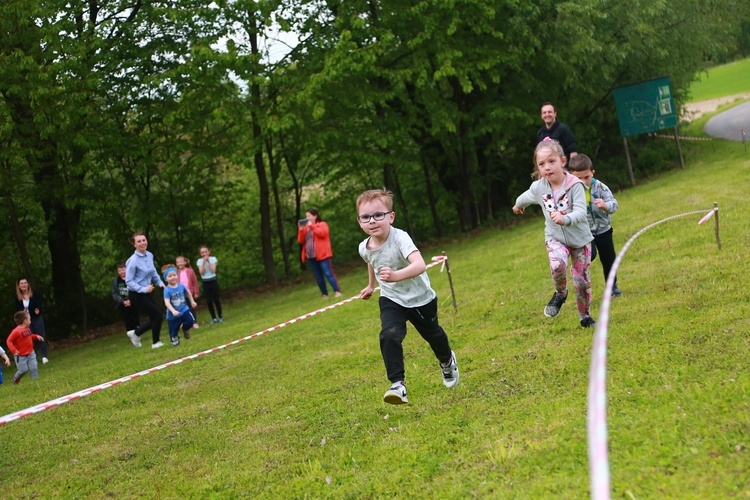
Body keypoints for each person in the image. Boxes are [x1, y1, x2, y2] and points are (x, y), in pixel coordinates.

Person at [356, 188, 459, 405]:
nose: (372, 221)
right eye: (366, 217)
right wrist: (371, 285)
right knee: (389, 335)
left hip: (420, 298)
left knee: (434, 336)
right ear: (359, 221)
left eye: (378, 215)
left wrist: (395, 276)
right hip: (391, 298)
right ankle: (398, 385)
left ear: (391, 216)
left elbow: (420, 265)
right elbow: (371, 262)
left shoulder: (400, 237)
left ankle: (447, 361)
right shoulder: (364, 247)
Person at [512, 138, 596, 328]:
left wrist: (565, 218)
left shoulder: (575, 185)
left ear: (563, 161)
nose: (547, 167)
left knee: (582, 281)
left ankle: (585, 317)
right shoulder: (538, 187)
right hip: (555, 238)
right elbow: (525, 197)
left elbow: (582, 212)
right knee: (557, 265)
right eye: (542, 164)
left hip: (580, 240)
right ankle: (560, 293)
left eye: (551, 161)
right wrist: (517, 206)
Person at [568, 154, 623, 298]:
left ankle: (613, 288)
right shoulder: (571, 191)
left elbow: (614, 204)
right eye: (579, 178)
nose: (584, 181)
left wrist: (605, 205)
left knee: (609, 260)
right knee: (589, 255)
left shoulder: (600, 187)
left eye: (586, 177)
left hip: (604, 230)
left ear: (593, 172)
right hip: (585, 233)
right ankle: (578, 271)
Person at [125, 232, 166, 349]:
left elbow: (153, 272)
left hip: (148, 291)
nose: (142, 243)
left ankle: (136, 334)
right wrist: (143, 289)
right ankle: (155, 342)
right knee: (158, 316)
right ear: (134, 244)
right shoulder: (132, 261)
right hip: (136, 294)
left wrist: (160, 283)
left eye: (144, 240)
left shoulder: (149, 255)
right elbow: (128, 281)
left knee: (156, 317)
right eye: (139, 241)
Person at [297, 209, 342, 299]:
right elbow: (300, 240)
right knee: (318, 276)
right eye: (306, 216)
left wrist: (312, 226)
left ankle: (337, 291)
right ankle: (324, 294)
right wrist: (301, 230)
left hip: (323, 255)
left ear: (315, 216)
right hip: (310, 256)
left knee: (328, 273)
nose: (307, 218)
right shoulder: (306, 229)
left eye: (309, 216)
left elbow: (323, 233)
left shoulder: (322, 224)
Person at [14, 278, 49, 364]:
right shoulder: (17, 298)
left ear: (28, 284)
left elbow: (39, 304)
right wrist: (23, 311)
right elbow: (17, 311)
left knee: (40, 335)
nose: (24, 285)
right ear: (19, 286)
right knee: (29, 338)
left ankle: (44, 356)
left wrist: (37, 309)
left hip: (36, 318)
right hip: (25, 321)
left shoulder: (34, 294)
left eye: (25, 283)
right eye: (21, 283)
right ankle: (33, 357)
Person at [6, 311, 45, 384]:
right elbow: (9, 341)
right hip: (20, 356)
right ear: (25, 321)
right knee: (23, 370)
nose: (30, 321)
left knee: (34, 367)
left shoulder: (27, 328)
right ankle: (16, 378)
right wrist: (14, 350)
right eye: (29, 319)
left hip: (31, 352)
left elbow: (29, 336)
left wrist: (36, 336)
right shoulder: (16, 331)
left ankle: (35, 382)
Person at [162, 267, 197, 346]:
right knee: (173, 331)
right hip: (173, 315)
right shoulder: (167, 290)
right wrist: (173, 311)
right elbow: (166, 302)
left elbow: (188, 293)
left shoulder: (181, 286)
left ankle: (185, 329)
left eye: (174, 275)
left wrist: (192, 301)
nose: (173, 277)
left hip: (184, 309)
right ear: (166, 279)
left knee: (190, 321)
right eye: (170, 276)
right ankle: (175, 340)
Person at [111, 262, 141, 338]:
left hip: (133, 303)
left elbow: (136, 289)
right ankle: (131, 336)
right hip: (123, 304)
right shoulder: (116, 281)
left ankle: (138, 334)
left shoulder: (132, 278)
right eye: (119, 270)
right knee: (127, 321)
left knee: (135, 319)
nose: (122, 272)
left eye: (123, 270)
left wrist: (131, 300)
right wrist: (123, 301)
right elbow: (114, 294)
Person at [197, 246, 223, 324]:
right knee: (209, 301)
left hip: (213, 281)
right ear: (200, 254)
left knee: (216, 299)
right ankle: (213, 318)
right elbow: (201, 272)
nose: (204, 254)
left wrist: (208, 261)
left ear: (209, 252)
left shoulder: (213, 259)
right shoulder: (199, 261)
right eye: (202, 252)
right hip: (205, 282)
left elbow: (213, 270)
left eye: (205, 252)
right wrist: (204, 262)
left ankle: (220, 316)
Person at [176, 256, 201, 328]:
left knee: (192, 307)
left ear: (185, 262)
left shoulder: (190, 271)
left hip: (190, 292)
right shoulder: (176, 272)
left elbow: (195, 282)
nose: (179, 264)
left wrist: (196, 292)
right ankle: (185, 323)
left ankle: (194, 322)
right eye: (177, 262)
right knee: (183, 309)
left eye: (181, 262)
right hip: (181, 294)